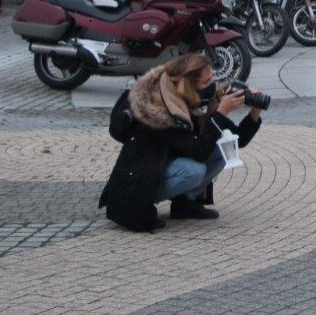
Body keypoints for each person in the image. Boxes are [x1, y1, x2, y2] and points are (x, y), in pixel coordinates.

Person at [98, 54, 264, 232]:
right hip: (137, 184)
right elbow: (198, 151)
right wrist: (221, 113)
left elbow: (238, 140)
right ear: (188, 84)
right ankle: (141, 204)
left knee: (221, 152)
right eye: (206, 81)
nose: (212, 86)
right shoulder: (160, 111)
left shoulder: (194, 102)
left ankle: (184, 204)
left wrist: (255, 111)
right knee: (194, 171)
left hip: (164, 164)